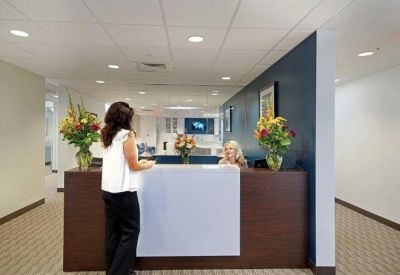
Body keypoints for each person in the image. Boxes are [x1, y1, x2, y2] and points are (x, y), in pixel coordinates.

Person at [101, 102, 155, 275]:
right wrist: (147, 165)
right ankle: (119, 272)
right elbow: (133, 165)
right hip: (123, 191)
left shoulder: (108, 134)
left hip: (108, 190)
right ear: (125, 118)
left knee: (113, 232)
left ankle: (113, 270)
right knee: (131, 231)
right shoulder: (127, 135)